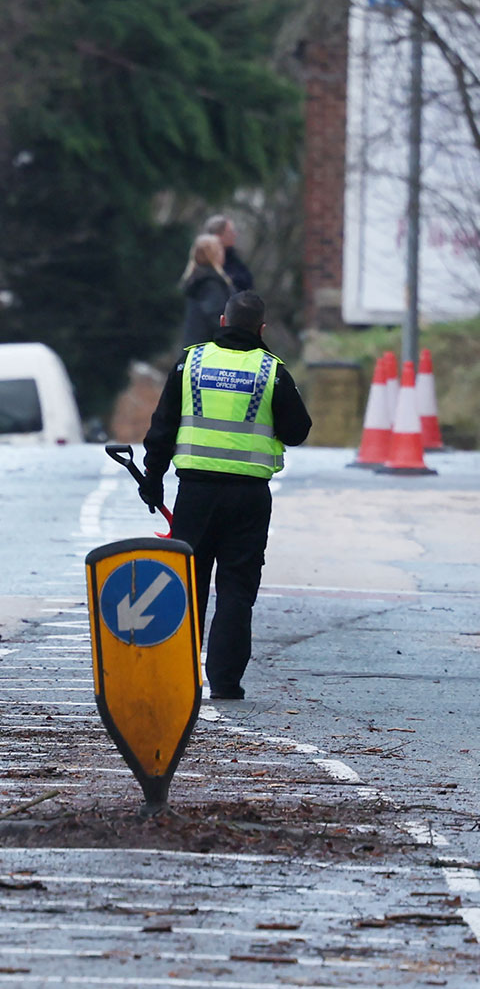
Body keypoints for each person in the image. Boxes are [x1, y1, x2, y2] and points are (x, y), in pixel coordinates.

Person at [141, 290, 311, 701]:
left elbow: (163, 424)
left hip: (195, 495)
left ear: (222, 321)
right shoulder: (272, 372)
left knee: (189, 585)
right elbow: (298, 431)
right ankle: (226, 681)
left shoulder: (191, 362)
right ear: (262, 329)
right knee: (236, 589)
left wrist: (153, 476)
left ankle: (181, 674)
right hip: (248, 499)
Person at [179, 233, 235, 349]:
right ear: (214, 254)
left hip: (192, 346)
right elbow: (215, 316)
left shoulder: (193, 280)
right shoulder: (212, 284)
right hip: (208, 350)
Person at [203, 214, 254, 294]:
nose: (235, 235)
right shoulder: (204, 261)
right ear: (218, 236)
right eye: (230, 232)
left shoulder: (234, 259)